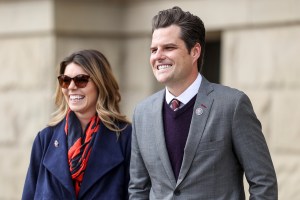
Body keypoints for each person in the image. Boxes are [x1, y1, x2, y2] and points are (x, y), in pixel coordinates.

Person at [129, 6, 277, 200]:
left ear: (195, 51)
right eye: (154, 49)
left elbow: (263, 183)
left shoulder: (231, 105)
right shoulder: (142, 113)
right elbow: (138, 189)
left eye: (169, 48)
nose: (158, 56)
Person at [22, 49, 131, 199]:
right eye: (65, 80)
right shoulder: (45, 139)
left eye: (81, 79)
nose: (71, 87)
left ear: (101, 84)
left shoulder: (126, 138)